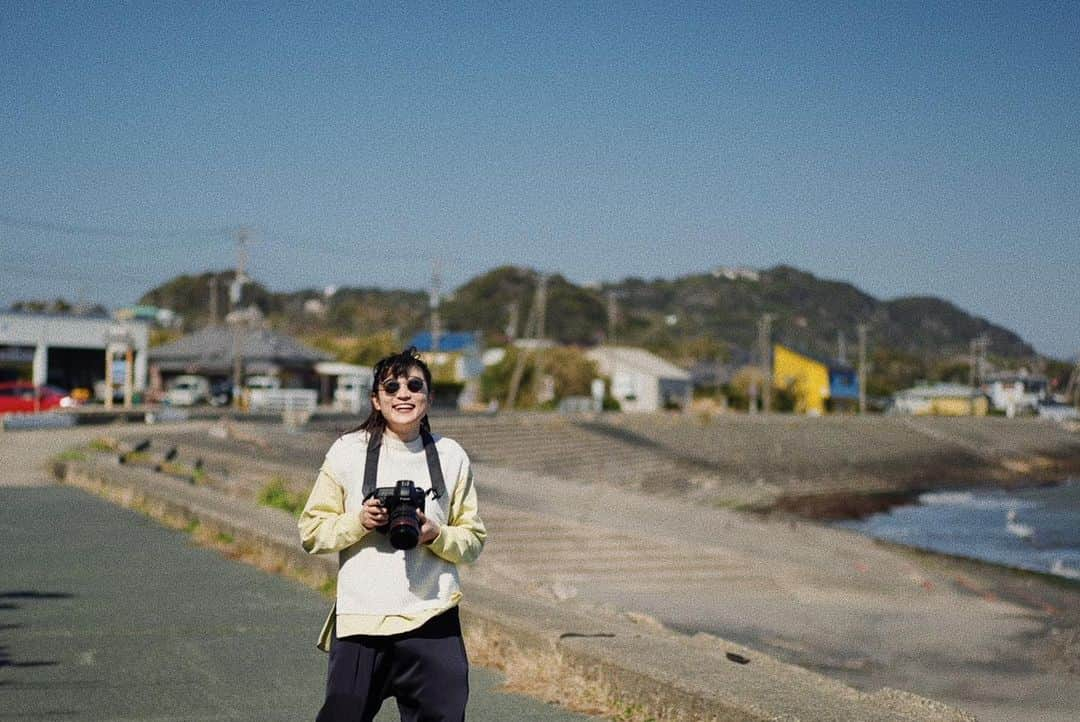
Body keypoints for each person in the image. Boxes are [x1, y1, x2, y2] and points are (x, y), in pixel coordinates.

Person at [299, 347, 486, 722]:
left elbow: (473, 540)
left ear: (429, 398)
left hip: (432, 617)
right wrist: (360, 521)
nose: (404, 394)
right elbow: (311, 532)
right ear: (376, 399)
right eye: (392, 386)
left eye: (415, 386)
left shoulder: (450, 456)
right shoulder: (347, 451)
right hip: (362, 617)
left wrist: (436, 535)